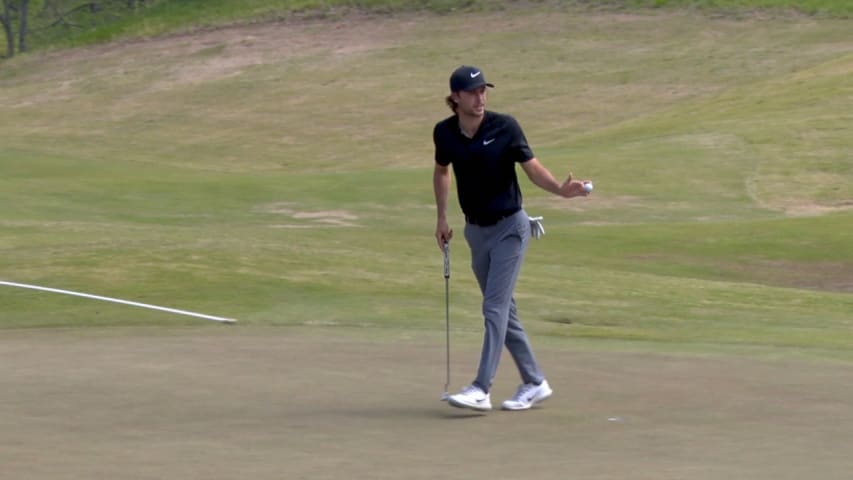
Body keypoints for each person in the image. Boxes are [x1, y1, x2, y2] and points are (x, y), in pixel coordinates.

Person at [433, 65, 591, 412]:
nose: (481, 98)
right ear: (456, 97)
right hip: (476, 232)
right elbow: (442, 170)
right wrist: (442, 217)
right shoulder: (444, 133)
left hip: (511, 228)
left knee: (493, 307)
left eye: (483, 91)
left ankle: (481, 387)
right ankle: (535, 382)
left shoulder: (504, 127)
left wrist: (561, 191)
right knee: (506, 311)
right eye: (473, 92)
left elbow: (532, 168)